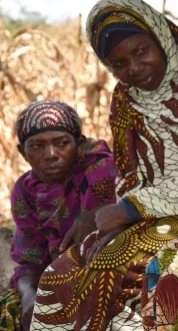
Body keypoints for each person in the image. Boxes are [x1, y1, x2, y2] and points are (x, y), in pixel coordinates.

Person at [29, 0, 178, 331]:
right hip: (153, 215)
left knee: (144, 270)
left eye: (141, 51)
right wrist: (125, 215)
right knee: (65, 271)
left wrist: (131, 210)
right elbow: (131, 174)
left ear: (160, 39)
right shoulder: (125, 100)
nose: (133, 68)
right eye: (118, 64)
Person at [0, 100, 117, 331]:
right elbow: (30, 261)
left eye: (62, 143)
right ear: (22, 152)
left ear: (78, 144)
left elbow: (116, 236)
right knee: (9, 309)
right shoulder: (26, 190)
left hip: (106, 273)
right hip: (54, 279)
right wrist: (30, 299)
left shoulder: (101, 171)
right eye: (37, 146)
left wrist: (95, 216)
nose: (51, 154)